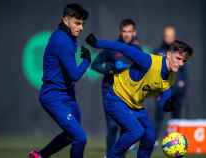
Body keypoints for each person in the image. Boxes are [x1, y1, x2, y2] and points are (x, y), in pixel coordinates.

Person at [86, 34, 193, 158]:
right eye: (178, 58)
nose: (181, 63)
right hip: (116, 98)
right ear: (168, 54)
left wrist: (167, 102)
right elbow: (122, 47)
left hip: (135, 105)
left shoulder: (171, 76)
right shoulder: (148, 61)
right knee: (135, 131)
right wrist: (97, 43)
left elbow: (166, 92)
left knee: (150, 137)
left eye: (184, 60)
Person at [29, 3, 90, 158]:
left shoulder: (67, 37)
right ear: (65, 20)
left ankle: (40, 156)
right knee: (80, 137)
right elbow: (75, 75)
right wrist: (86, 61)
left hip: (67, 94)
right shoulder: (62, 40)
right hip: (53, 95)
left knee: (72, 135)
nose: (81, 27)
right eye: (77, 23)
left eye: (82, 23)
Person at [91, 19, 141, 154]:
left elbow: (143, 70)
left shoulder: (137, 50)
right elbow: (95, 65)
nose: (127, 34)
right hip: (110, 90)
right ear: (120, 32)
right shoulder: (112, 47)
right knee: (113, 126)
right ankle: (110, 154)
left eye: (130, 32)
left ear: (134, 33)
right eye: (124, 31)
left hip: (127, 93)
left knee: (126, 128)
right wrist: (110, 69)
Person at [153, 25, 188, 144]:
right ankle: (154, 140)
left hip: (176, 91)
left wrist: (182, 85)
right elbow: (153, 72)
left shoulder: (180, 52)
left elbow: (184, 71)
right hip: (163, 90)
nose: (169, 38)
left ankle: (175, 141)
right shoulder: (158, 52)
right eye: (167, 35)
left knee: (176, 118)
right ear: (163, 37)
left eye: (171, 36)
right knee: (159, 116)